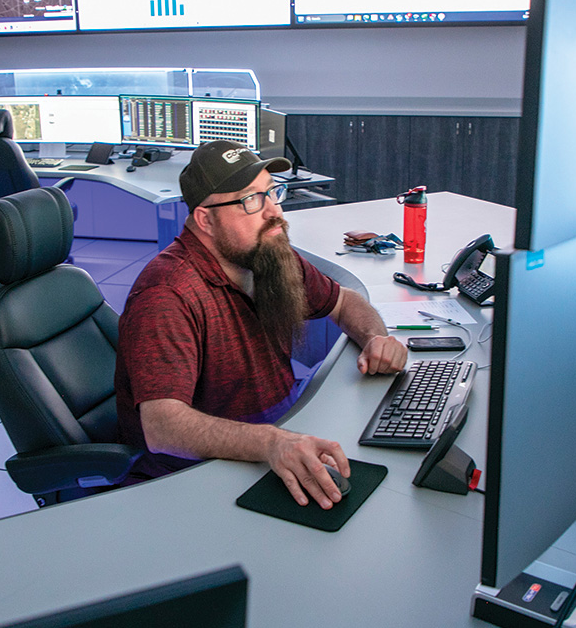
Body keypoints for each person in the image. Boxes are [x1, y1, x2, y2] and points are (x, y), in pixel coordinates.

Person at [114, 140, 407, 509]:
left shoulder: (265, 256)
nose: (274, 212)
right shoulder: (167, 295)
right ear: (205, 219)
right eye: (251, 200)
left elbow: (344, 301)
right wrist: (270, 443)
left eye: (272, 192)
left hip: (282, 433)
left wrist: (376, 337)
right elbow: (162, 426)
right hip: (204, 478)